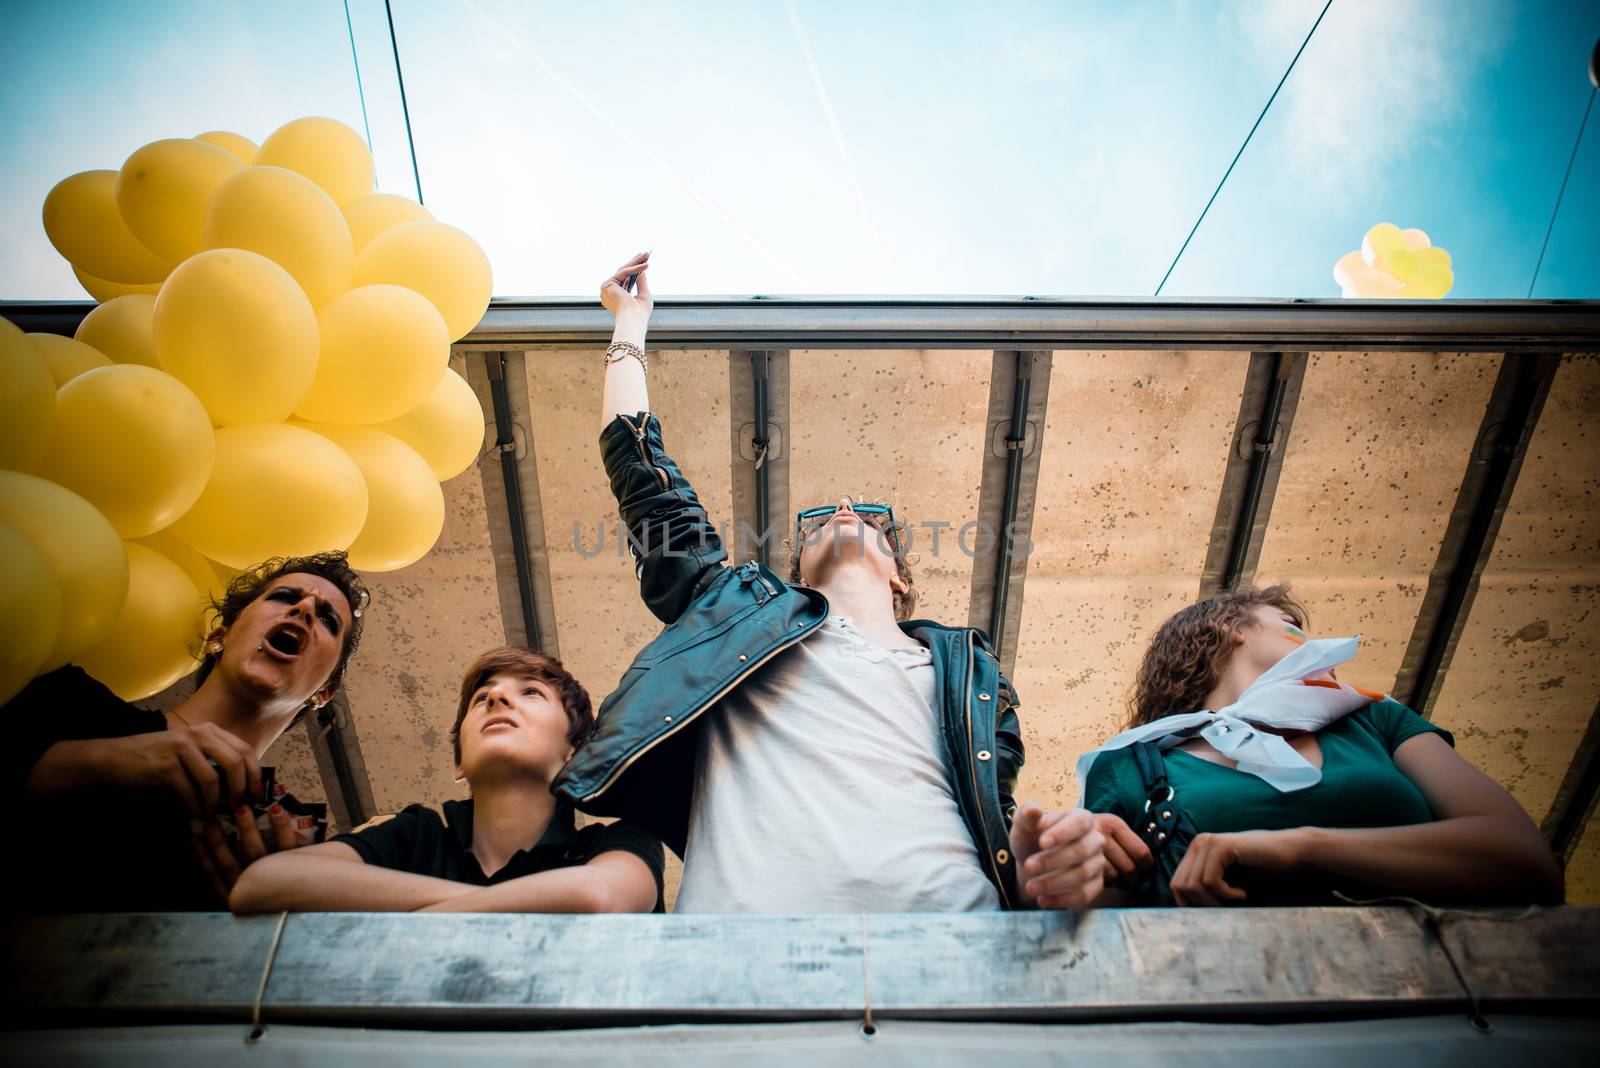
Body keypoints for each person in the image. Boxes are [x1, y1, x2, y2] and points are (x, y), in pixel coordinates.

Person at [551, 253, 1106, 913]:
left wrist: (1053, 862)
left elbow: (998, 819)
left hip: (957, 955)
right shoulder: (733, 613)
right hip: (747, 961)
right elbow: (645, 478)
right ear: (795, 575)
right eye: (815, 526)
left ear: (900, 577)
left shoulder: (971, 675)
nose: (844, 512)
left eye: (872, 522)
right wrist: (629, 326)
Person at [1079, 584, 1564, 907]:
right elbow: (1086, 925)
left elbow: (1527, 862)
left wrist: (1302, 846)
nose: (1317, 650)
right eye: (1294, 630)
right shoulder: (1132, 766)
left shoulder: (1375, 718)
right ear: (1228, 628)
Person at [5, 551, 369, 911]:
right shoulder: (66, 700)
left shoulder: (278, 859)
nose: (304, 609)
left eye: (327, 618)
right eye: (284, 596)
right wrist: (110, 758)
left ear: (325, 692)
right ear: (220, 636)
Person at [231, 646, 665, 913]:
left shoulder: (614, 843)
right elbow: (264, 883)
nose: (496, 696)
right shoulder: (417, 835)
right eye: (481, 698)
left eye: (531, 692)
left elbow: (597, 897)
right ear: (459, 763)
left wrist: (413, 916)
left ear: (574, 751)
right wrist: (474, 906)